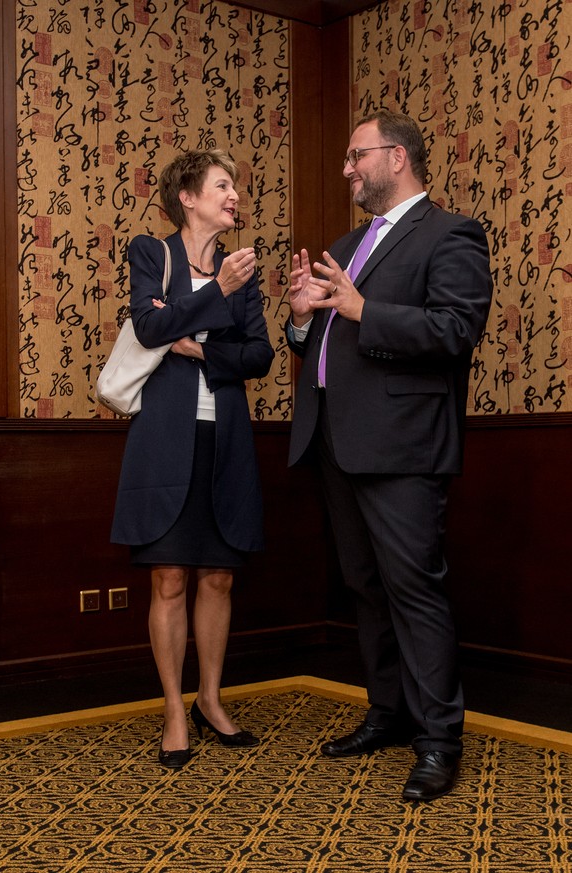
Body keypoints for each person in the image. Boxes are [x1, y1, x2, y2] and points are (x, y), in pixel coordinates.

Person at [286, 108, 492, 801]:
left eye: (355, 156)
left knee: (413, 590)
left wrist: (363, 310)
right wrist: (301, 319)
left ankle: (439, 740)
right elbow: (318, 342)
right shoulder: (347, 244)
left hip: (403, 445)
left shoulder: (453, 234)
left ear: (397, 157)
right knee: (364, 587)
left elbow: (455, 329)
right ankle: (388, 711)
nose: (347, 169)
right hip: (335, 441)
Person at [111, 149, 274, 769]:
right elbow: (151, 332)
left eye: (236, 188)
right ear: (188, 195)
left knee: (217, 574)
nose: (234, 197)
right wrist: (215, 298)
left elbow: (256, 356)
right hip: (165, 436)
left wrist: (201, 349)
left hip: (226, 437)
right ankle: (174, 709)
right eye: (223, 186)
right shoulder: (153, 253)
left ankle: (209, 698)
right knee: (170, 576)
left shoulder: (242, 269)